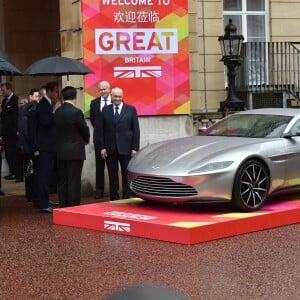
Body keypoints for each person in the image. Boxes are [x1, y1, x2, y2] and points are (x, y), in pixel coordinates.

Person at [94, 87, 140, 200]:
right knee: (112, 175)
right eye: (115, 96)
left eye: (120, 96)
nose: (118, 99)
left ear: (122, 96)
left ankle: (126, 197)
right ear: (111, 96)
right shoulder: (105, 110)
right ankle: (114, 198)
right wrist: (102, 147)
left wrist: (135, 148)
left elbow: (136, 130)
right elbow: (101, 130)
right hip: (110, 149)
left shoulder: (131, 109)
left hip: (126, 148)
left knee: (126, 174)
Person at [54, 86, 90, 207]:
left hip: (60, 150)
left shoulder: (57, 112)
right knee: (73, 181)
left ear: (63, 97)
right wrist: (86, 140)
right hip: (75, 151)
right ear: (75, 97)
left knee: (62, 181)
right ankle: (73, 207)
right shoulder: (76, 112)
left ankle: (63, 206)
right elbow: (84, 129)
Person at [35, 81, 61, 213]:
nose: (58, 94)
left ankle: (45, 199)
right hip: (45, 146)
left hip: (51, 145)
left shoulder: (48, 104)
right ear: (49, 91)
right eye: (56, 91)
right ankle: (43, 204)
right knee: (43, 175)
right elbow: (45, 124)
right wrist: (55, 111)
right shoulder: (42, 106)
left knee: (48, 175)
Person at [90, 80, 112, 199]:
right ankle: (99, 190)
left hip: (113, 141)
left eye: (105, 89)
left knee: (112, 167)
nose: (103, 91)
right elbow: (93, 121)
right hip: (99, 140)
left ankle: (114, 189)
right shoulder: (94, 103)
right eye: (101, 89)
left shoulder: (116, 101)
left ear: (109, 89)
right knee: (99, 167)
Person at [0, 82, 19, 180]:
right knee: (8, 153)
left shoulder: (16, 99)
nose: (2, 92)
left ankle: (16, 172)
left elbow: (16, 117)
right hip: (5, 132)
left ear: (9, 89)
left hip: (13, 132)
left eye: (3, 90)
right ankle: (12, 172)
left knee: (13, 153)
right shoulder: (4, 101)